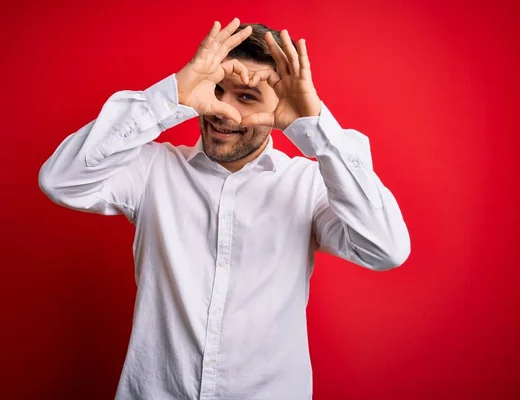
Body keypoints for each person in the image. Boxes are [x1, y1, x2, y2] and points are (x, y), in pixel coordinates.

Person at [38, 18, 410, 400]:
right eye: (217, 90)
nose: (223, 111)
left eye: (247, 96)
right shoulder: (153, 169)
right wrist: (173, 96)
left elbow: (385, 249)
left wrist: (314, 126)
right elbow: (60, 180)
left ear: (281, 106)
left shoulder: (309, 185)